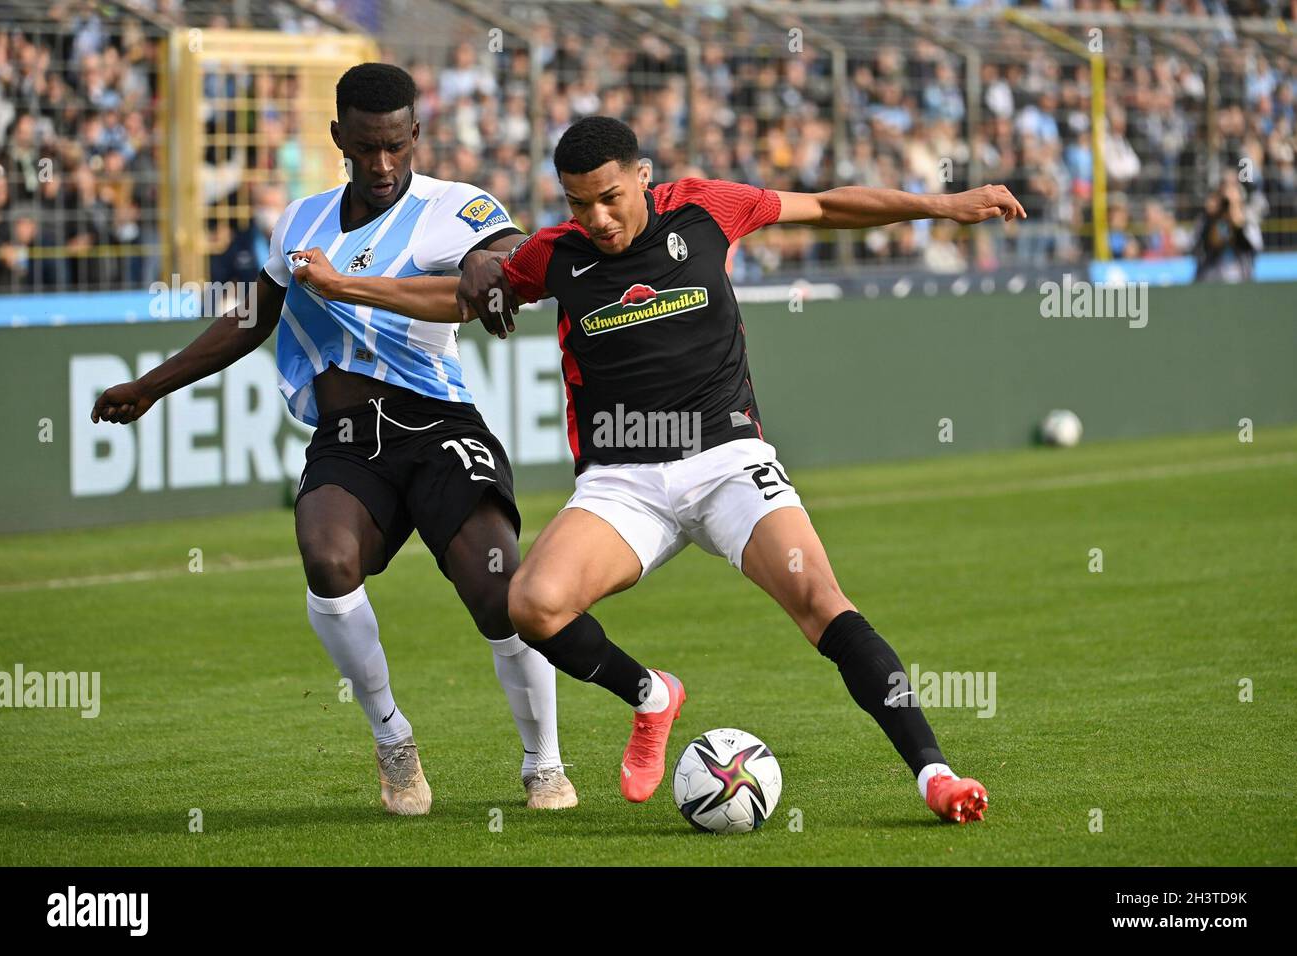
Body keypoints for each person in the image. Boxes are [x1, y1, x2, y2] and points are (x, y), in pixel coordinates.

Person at [312, 115, 1027, 824]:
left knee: (823, 604)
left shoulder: (707, 208)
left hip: (728, 462)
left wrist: (942, 205)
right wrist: (346, 288)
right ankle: (652, 696)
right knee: (532, 605)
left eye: (610, 197)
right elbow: (464, 300)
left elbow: (826, 205)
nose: (597, 217)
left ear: (642, 177)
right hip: (623, 484)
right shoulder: (556, 254)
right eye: (578, 202)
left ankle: (935, 773)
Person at [89, 63, 577, 815]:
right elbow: (251, 318)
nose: (383, 165)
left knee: (498, 589)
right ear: (338, 138)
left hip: (438, 425)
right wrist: (152, 385)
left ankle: (543, 762)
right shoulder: (302, 223)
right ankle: (392, 740)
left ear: (415, 135)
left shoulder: (454, 206)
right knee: (326, 555)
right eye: (366, 149)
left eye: (396, 147)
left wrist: (488, 263)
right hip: (348, 439)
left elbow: (505, 248)